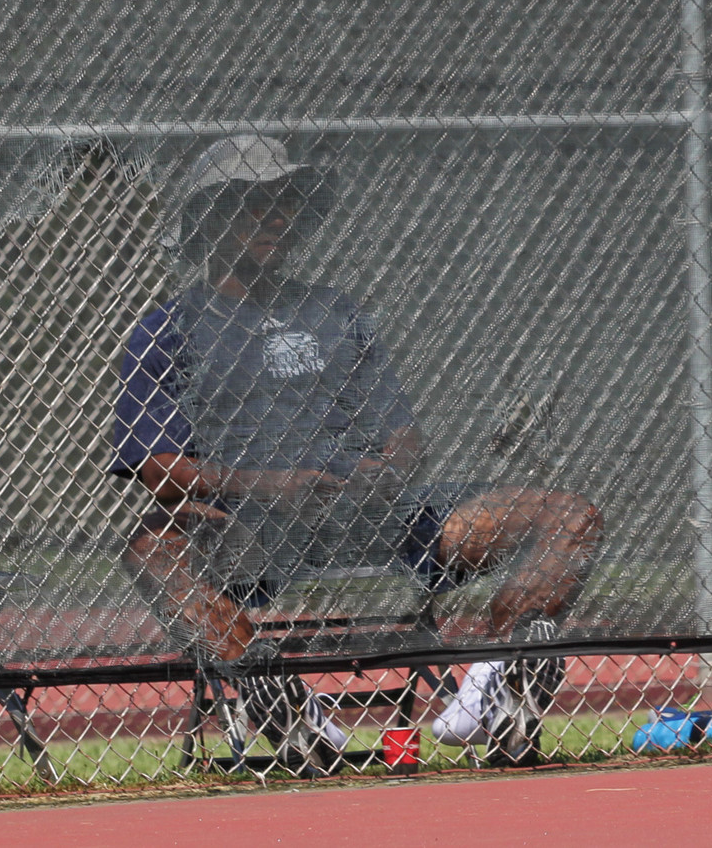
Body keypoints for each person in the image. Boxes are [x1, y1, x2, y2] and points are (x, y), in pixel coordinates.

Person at [109, 135, 603, 766]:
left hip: (378, 518)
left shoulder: (336, 312)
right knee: (150, 546)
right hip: (252, 535)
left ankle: (493, 689)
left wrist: (385, 472)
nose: (276, 218)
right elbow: (156, 465)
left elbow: (404, 435)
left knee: (569, 516)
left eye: (283, 202)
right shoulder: (168, 329)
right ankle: (281, 701)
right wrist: (272, 486)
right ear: (210, 219)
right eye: (253, 204)